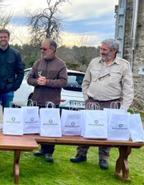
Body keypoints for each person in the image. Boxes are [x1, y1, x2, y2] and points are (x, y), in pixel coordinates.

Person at [70, 39, 134, 169]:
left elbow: (128, 88)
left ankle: (103, 159)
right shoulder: (94, 62)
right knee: (87, 128)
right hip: (92, 101)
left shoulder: (123, 65)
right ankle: (81, 154)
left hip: (111, 103)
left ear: (114, 51)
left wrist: (124, 109)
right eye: (101, 49)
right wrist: (86, 97)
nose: (101, 52)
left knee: (106, 132)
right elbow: (86, 81)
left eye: (104, 50)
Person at [27, 39, 68, 163]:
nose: (42, 51)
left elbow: (64, 82)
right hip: (37, 100)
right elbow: (29, 79)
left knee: (50, 127)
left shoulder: (61, 64)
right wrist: (36, 81)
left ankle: (49, 152)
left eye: (44, 49)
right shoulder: (37, 63)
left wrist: (47, 82)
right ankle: (42, 149)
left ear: (52, 49)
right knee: (39, 126)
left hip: (51, 102)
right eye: (41, 48)